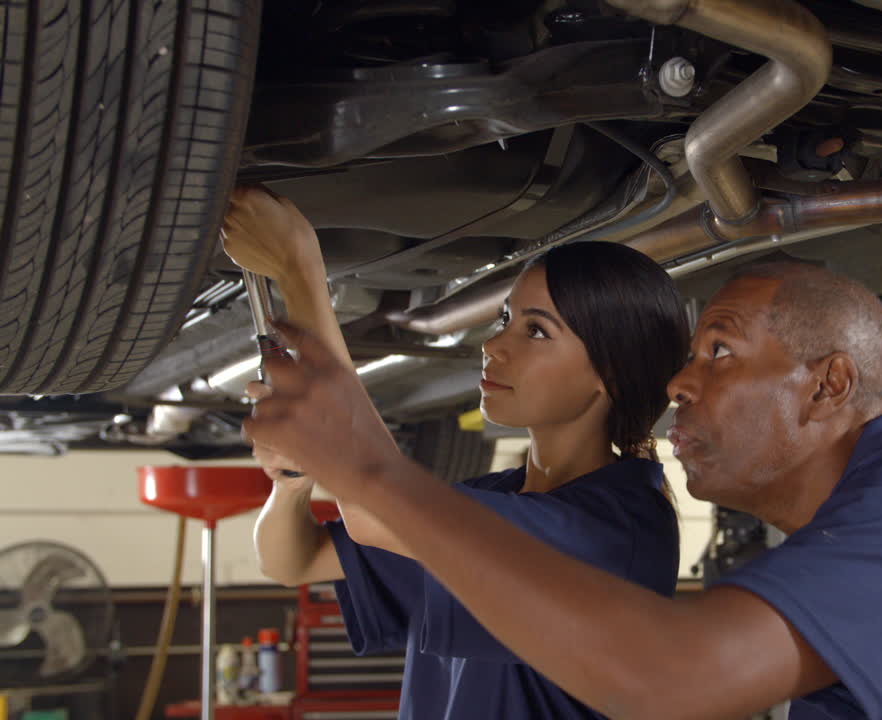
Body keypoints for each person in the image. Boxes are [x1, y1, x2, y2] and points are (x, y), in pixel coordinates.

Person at [243, 254, 882, 719]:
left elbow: (672, 678)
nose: (682, 384)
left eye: (719, 351)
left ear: (829, 386)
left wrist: (363, 462)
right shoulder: (846, 537)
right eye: (690, 358)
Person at [221, 186, 690, 718]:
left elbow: (373, 502)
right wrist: (293, 480)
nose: (494, 345)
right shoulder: (493, 499)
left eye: (536, 331)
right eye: (505, 319)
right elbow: (292, 559)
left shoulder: (614, 529)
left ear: (608, 374)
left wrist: (299, 269)